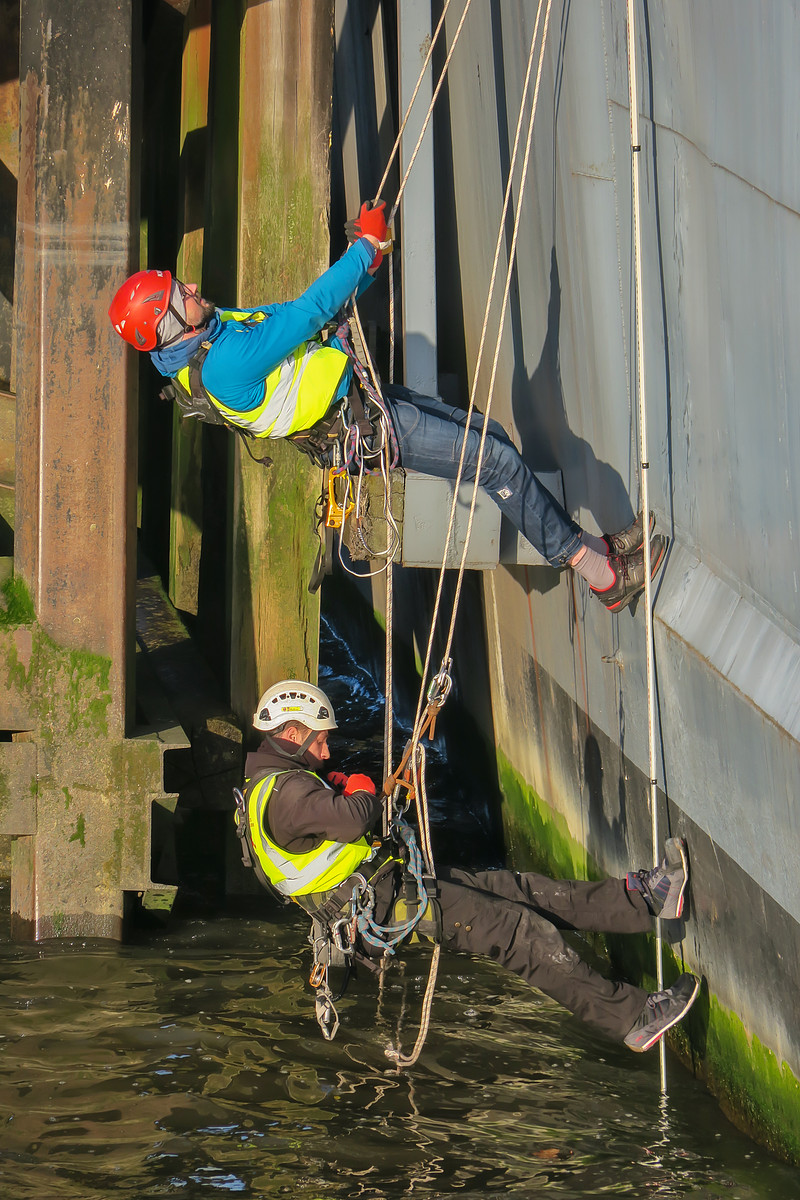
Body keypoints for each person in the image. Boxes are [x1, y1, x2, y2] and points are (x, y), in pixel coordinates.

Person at [109, 202, 666, 611]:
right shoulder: (222, 362)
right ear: (166, 325)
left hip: (360, 400)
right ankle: (601, 576)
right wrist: (365, 250)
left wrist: (363, 268)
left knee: (490, 437)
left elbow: (285, 316)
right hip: (362, 427)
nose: (193, 288)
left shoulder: (204, 337)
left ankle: (594, 546)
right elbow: (305, 315)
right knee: (494, 462)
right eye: (179, 292)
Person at [234, 679, 701, 1053]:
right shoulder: (287, 794)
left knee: (519, 891)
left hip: (391, 888)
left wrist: (331, 785)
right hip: (384, 903)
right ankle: (633, 1018)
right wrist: (357, 787)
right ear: (291, 734)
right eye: (319, 741)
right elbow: (355, 816)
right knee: (518, 932)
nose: (326, 751)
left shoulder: (273, 786)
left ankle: (646, 900)